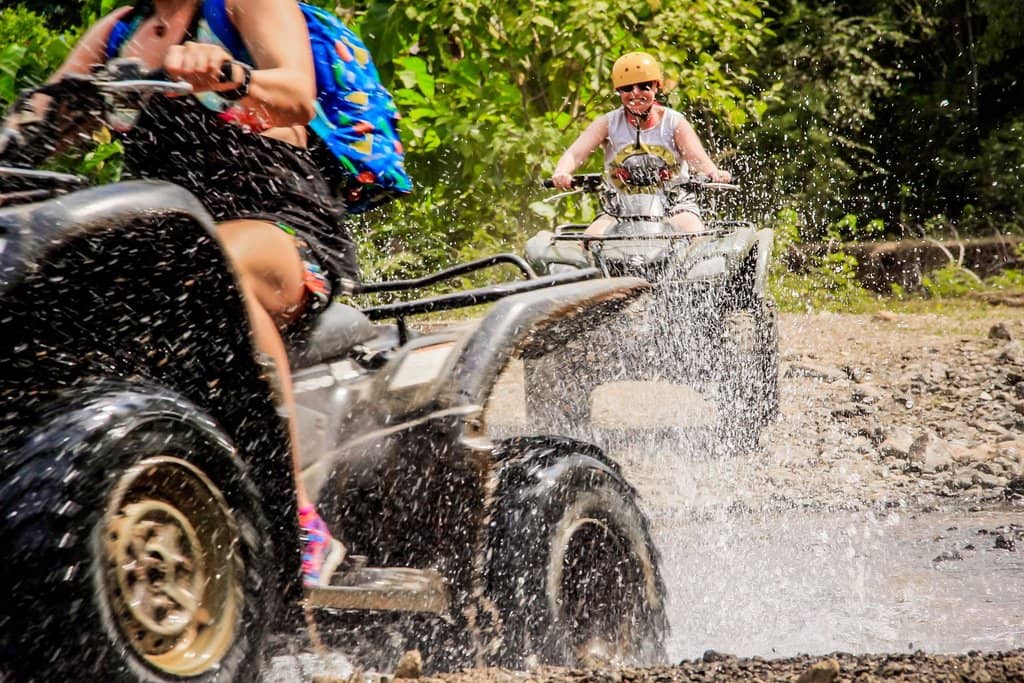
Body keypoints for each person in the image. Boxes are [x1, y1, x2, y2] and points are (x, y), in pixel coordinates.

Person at [35, 0, 352, 587]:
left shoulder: (241, 6)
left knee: (208, 261)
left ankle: (296, 513)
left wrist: (230, 74)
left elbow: (297, 96)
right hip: (161, 239)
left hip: (275, 222)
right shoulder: (117, 32)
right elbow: (34, 121)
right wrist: (52, 117)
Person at [550, 51, 732, 236]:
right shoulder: (608, 123)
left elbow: (698, 159)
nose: (635, 93)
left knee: (694, 234)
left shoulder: (674, 123)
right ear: (619, 92)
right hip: (619, 210)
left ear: (656, 87)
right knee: (590, 240)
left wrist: (713, 173)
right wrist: (562, 172)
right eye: (628, 88)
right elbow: (575, 153)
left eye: (644, 86)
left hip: (674, 206)